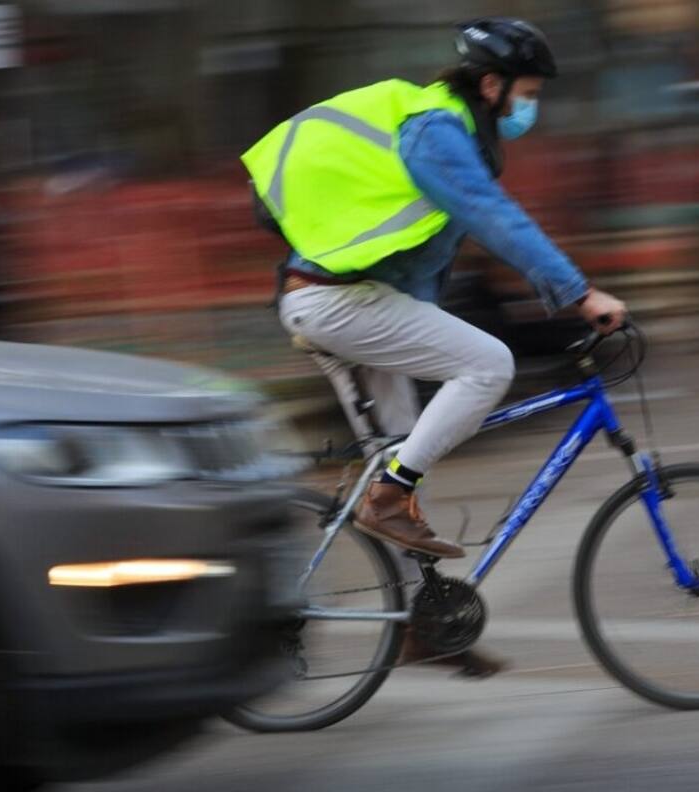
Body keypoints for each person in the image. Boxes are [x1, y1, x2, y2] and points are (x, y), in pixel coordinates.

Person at [242, 18, 627, 673]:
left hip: (358, 303)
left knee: (398, 458)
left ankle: (419, 628)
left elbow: (425, 259)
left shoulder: (449, 128)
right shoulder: (437, 131)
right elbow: (494, 216)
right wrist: (580, 293)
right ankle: (387, 502)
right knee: (486, 367)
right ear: (492, 85)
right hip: (333, 304)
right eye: (528, 93)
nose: (531, 107)